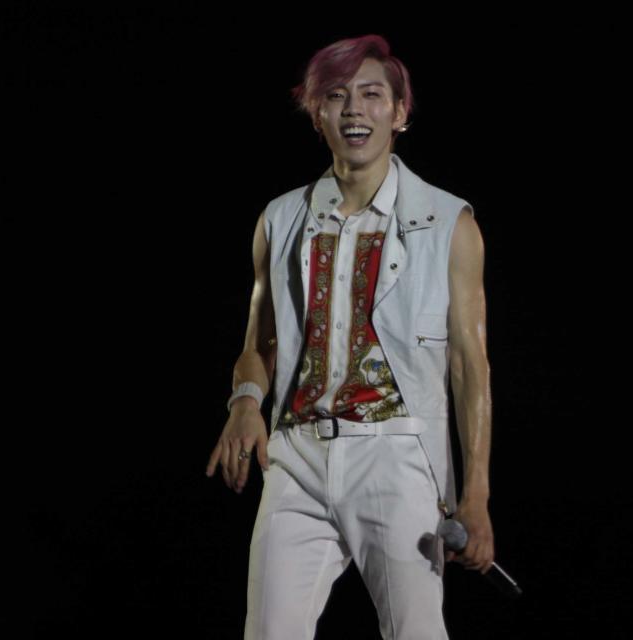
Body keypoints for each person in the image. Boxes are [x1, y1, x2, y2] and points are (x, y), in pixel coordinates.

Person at [205, 34, 494, 639]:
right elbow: (259, 344)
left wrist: (477, 496)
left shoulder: (448, 222)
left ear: (400, 111)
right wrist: (245, 404)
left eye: (371, 95)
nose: (354, 109)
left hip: (396, 456)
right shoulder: (281, 218)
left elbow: (470, 367)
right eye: (336, 96)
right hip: (298, 456)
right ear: (317, 114)